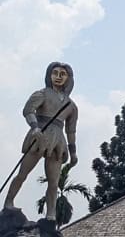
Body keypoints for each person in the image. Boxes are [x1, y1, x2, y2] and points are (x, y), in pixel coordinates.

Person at [3, 61, 78, 216]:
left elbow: (71, 130)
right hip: (40, 133)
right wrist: (35, 127)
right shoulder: (42, 93)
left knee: (53, 182)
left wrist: (73, 152)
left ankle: (50, 214)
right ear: (49, 75)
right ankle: (9, 201)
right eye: (55, 73)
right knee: (23, 173)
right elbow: (28, 110)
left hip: (58, 139)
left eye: (62, 74)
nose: (58, 77)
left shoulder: (71, 105)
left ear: (68, 78)